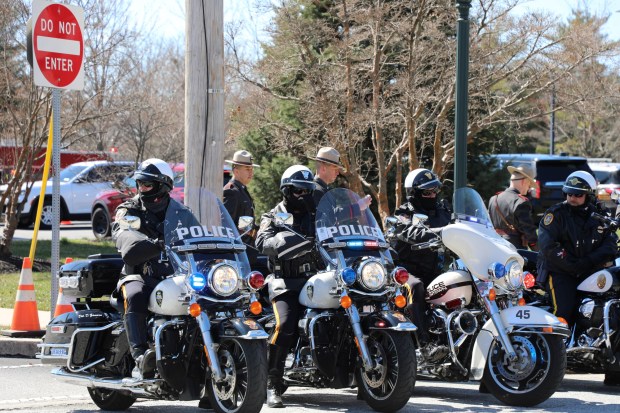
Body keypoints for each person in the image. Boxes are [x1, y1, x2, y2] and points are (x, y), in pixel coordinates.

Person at [112, 158, 193, 380]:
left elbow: (199, 237)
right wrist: (153, 244)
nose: (142, 187)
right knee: (136, 295)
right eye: (140, 183)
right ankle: (140, 357)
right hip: (138, 275)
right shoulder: (129, 210)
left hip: (176, 277)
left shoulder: (182, 213)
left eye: (148, 183)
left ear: (164, 185)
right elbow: (124, 240)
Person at [256, 165, 323, 408]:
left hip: (319, 279)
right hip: (285, 281)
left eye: (307, 190)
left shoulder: (319, 214)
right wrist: (288, 241)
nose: (303, 195)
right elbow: (263, 240)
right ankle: (272, 382)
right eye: (298, 190)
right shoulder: (273, 215)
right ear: (286, 190)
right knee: (285, 324)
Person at [537, 170, 617, 327]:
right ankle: (557, 347)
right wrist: (573, 265)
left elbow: (610, 244)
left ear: (589, 196)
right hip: (560, 271)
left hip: (589, 270)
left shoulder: (599, 216)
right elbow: (549, 246)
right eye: (569, 193)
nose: (572, 198)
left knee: (604, 303)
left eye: (578, 195)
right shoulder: (556, 215)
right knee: (564, 311)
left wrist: (588, 261)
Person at [391, 168, 451, 355]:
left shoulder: (442, 210)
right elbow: (407, 231)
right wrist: (439, 233)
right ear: (414, 193)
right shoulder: (404, 212)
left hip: (435, 269)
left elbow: (459, 224)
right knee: (415, 287)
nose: (432, 195)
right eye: (427, 192)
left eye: (435, 190)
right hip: (407, 271)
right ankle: (424, 346)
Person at [488, 164, 539, 250]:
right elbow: (530, 234)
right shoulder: (521, 202)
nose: (529, 188)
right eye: (529, 184)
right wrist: (539, 251)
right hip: (515, 250)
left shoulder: (493, 199)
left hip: (496, 247)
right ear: (524, 182)